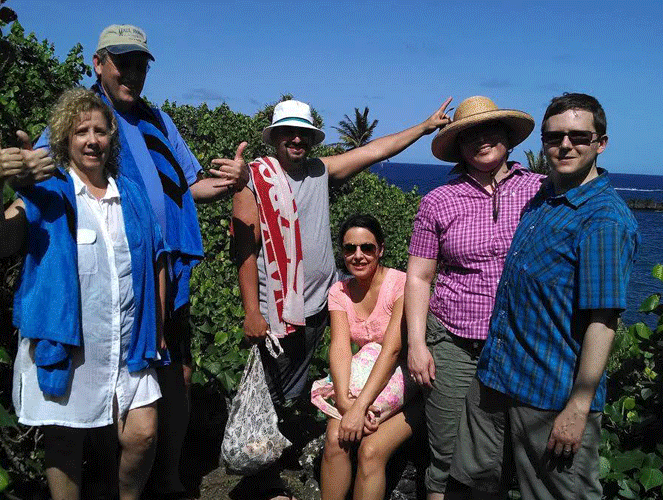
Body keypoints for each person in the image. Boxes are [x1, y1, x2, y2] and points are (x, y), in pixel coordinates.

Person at [25, 25, 249, 499]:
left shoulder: (158, 121)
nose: (131, 73)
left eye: (140, 64)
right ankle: (111, 477)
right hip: (105, 277)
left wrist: (233, 182)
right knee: (107, 378)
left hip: (165, 271)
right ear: (98, 64)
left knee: (176, 373)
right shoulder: (84, 117)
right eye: (122, 62)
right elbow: (44, 175)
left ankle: (166, 477)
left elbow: (190, 186)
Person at [231, 97, 452, 499]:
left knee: (291, 391)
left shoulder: (319, 171)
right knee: (272, 393)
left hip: (316, 307)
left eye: (303, 133)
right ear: (275, 137)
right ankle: (261, 478)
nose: (296, 139)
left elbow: (374, 150)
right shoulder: (254, 178)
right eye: (288, 132)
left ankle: (275, 466)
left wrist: (423, 127)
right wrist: (252, 310)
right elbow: (243, 248)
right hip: (276, 312)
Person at [0, 88, 166, 500]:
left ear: (111, 138)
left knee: (143, 434)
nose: (92, 140)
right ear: (64, 139)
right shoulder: (48, 191)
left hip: (129, 341)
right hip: (70, 343)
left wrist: (159, 326)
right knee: (65, 442)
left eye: (100, 131)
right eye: (81, 132)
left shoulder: (130, 194)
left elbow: (156, 261)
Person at [446, 93, 639, 500]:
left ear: (600, 143)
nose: (565, 145)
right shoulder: (543, 198)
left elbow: (603, 321)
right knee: (470, 486)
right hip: (497, 378)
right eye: (554, 137)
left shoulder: (603, 219)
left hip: (552, 394)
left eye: (578, 136)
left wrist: (578, 407)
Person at [404, 96, 544, 500]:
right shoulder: (438, 201)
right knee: (446, 453)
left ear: (508, 137)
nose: (481, 140)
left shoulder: (540, 190)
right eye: (469, 135)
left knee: (505, 457)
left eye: (490, 130)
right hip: (453, 342)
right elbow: (419, 277)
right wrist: (417, 344)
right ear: (458, 146)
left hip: (519, 345)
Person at [318, 214, 415, 500]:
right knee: (335, 438)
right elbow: (339, 346)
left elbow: (393, 349)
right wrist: (344, 402)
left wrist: (359, 408)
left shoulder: (400, 285)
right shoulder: (339, 291)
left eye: (367, 248)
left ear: (380, 249)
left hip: (406, 379)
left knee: (370, 451)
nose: (358, 255)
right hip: (368, 377)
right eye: (350, 248)